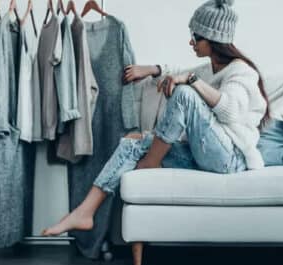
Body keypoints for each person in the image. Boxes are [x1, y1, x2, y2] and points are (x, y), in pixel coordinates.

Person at [42, 0, 269, 264]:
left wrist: (191, 82)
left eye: (196, 37)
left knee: (184, 94)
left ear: (214, 40)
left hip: (230, 159)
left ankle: (150, 162)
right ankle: (85, 211)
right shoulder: (210, 68)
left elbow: (230, 110)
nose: (191, 42)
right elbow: (179, 71)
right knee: (131, 142)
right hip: (205, 155)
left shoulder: (241, 71)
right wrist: (152, 70)